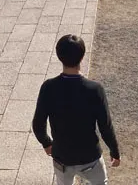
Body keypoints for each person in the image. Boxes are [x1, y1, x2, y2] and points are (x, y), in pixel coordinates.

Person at [33, 35, 120, 185]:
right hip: (90, 157)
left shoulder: (48, 87)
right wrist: (114, 150)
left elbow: (38, 124)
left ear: (59, 56)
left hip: (61, 157)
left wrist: (46, 143)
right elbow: (105, 126)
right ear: (82, 56)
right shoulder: (95, 89)